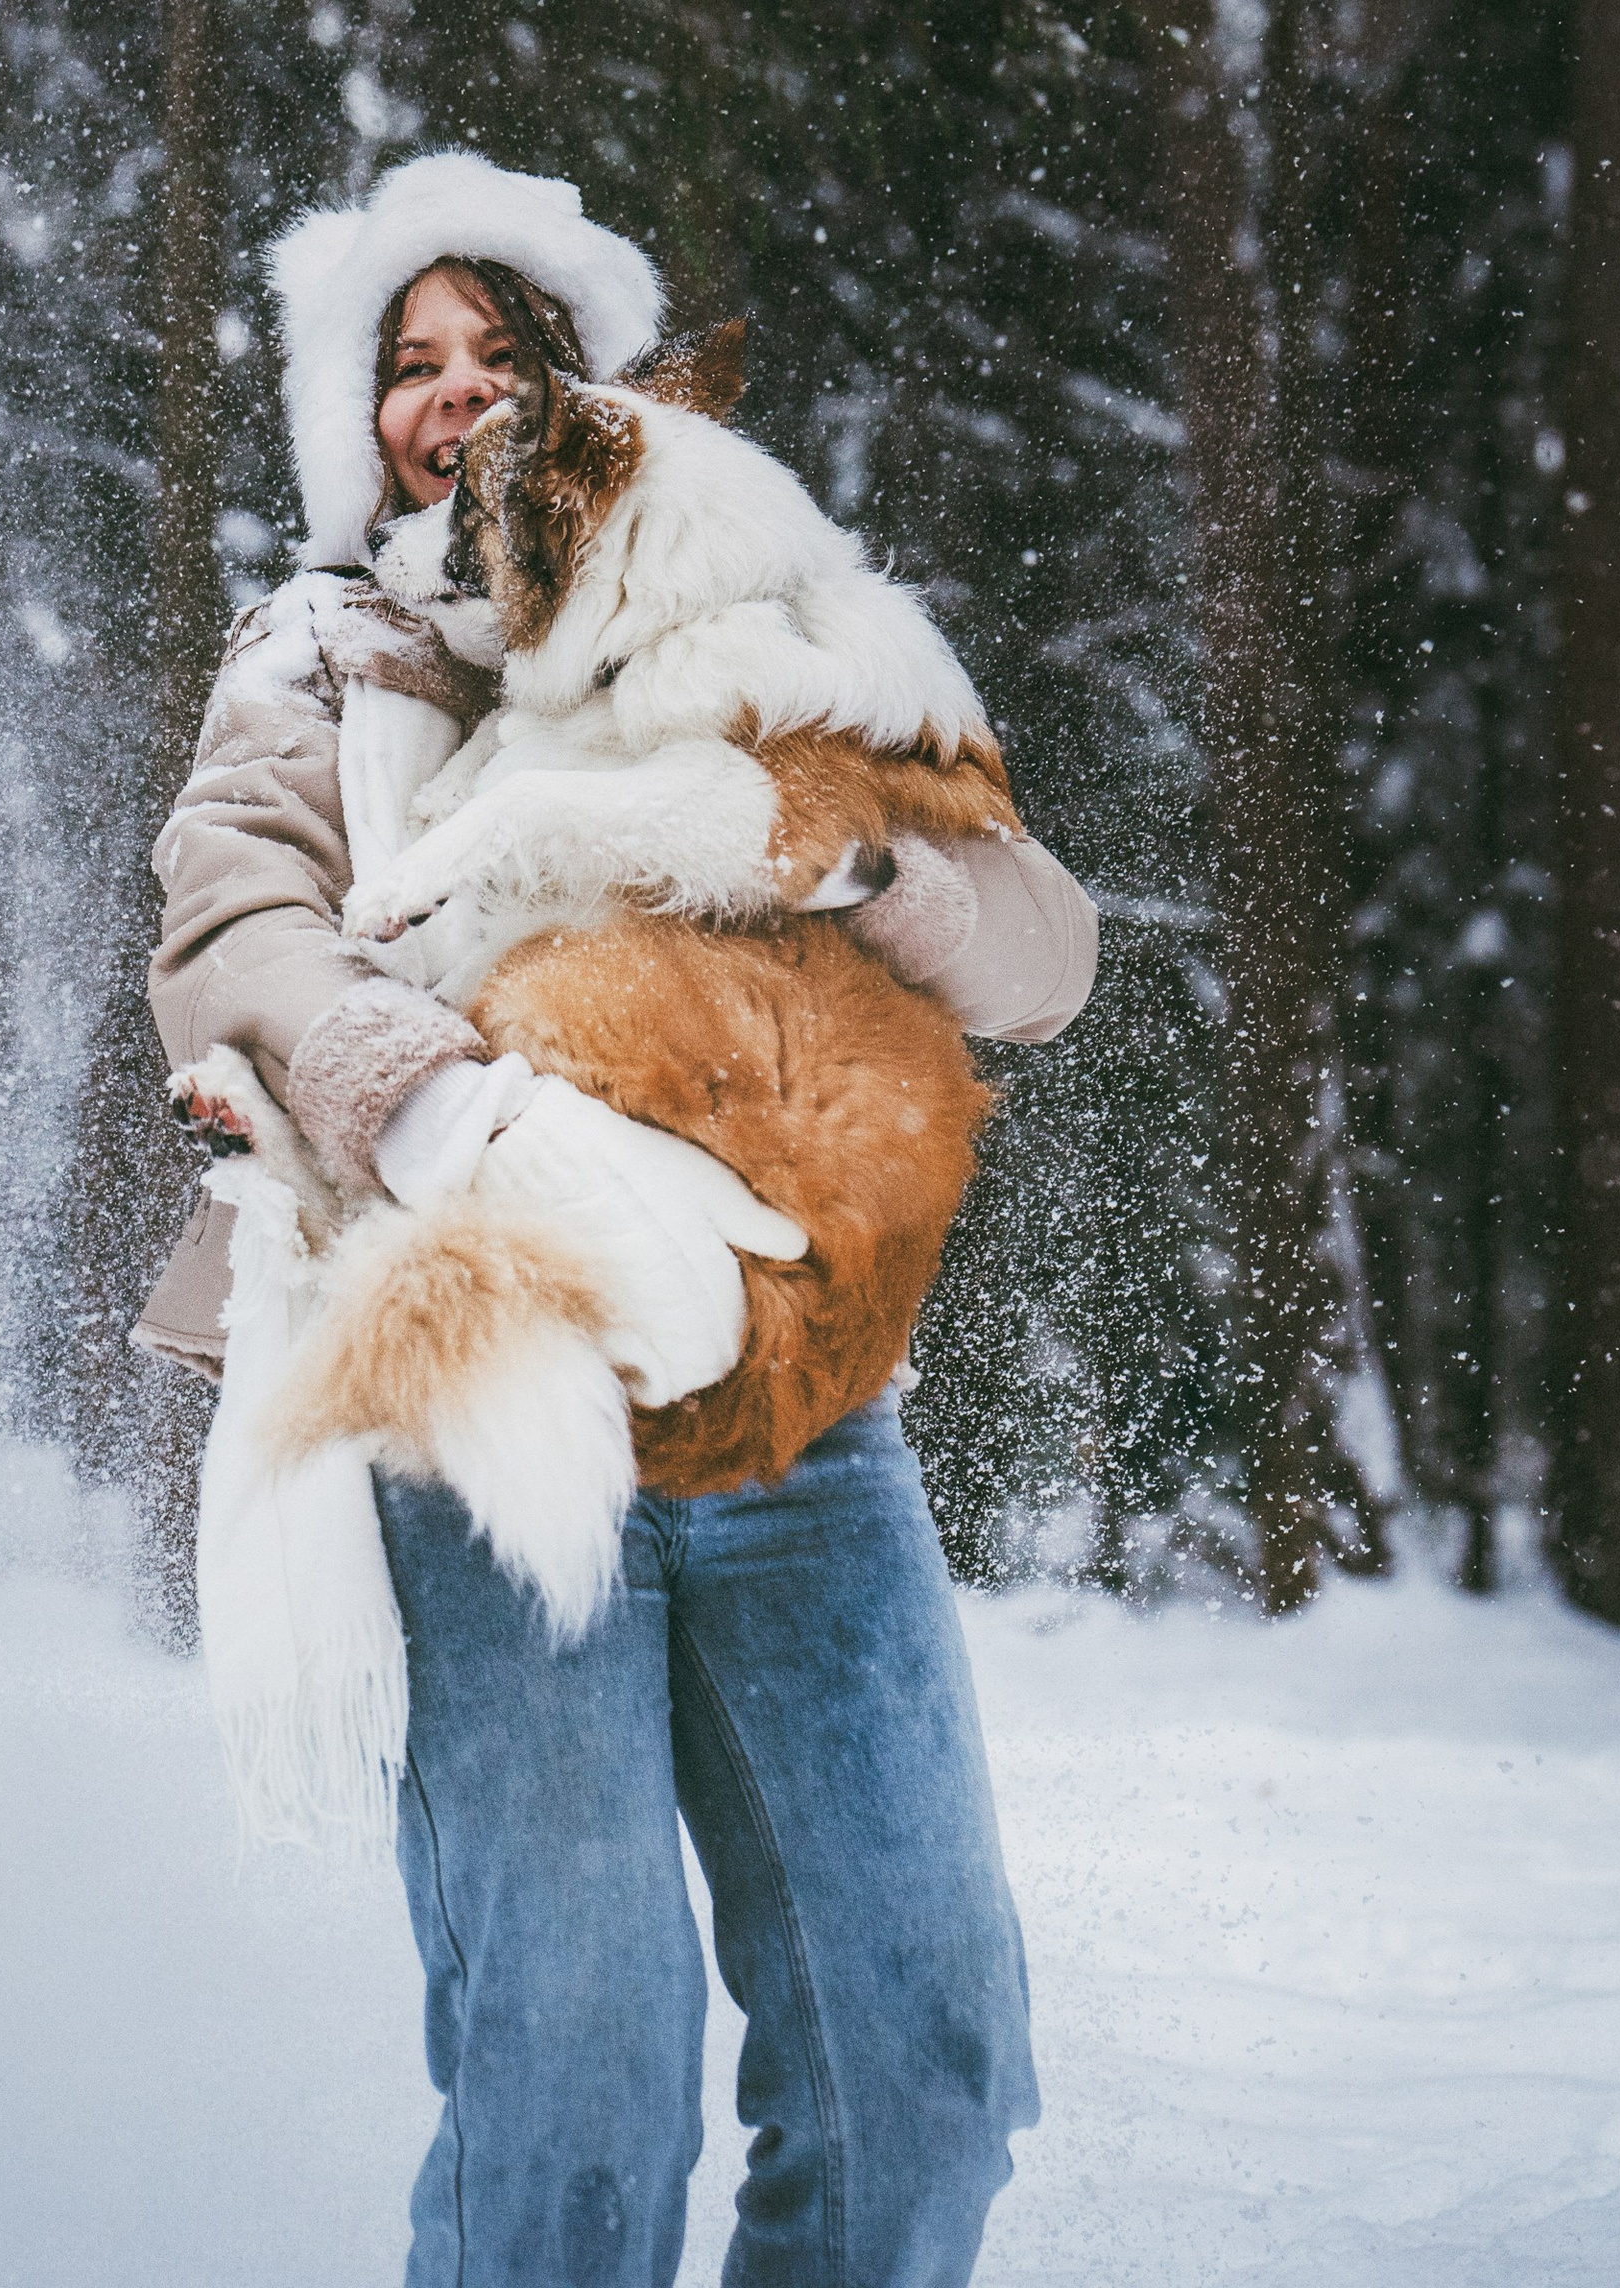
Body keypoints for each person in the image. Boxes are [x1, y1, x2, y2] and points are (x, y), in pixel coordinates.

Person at [137, 150, 1095, 2288]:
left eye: (501, 355)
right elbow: (234, 934)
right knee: (579, 2088)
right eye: (410, 364)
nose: (456, 395)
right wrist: (423, 1100)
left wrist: (854, 866)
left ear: (589, 393)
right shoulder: (322, 653)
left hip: (793, 1417)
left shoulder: (765, 610)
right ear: (353, 415)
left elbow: (1038, 957)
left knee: (918, 2060)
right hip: (495, 1394)